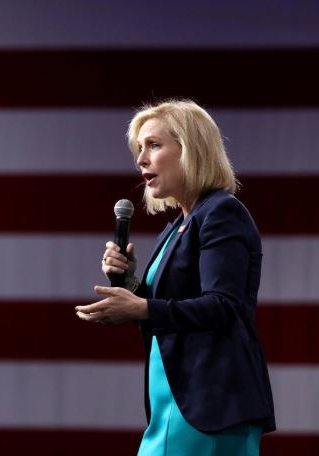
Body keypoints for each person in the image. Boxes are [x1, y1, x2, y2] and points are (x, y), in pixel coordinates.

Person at [75, 99, 275, 455]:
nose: (141, 159)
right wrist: (131, 283)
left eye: (154, 144)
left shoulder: (221, 212)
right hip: (176, 402)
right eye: (140, 148)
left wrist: (141, 308)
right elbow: (170, 300)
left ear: (191, 149)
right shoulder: (180, 225)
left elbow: (222, 305)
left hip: (210, 404)